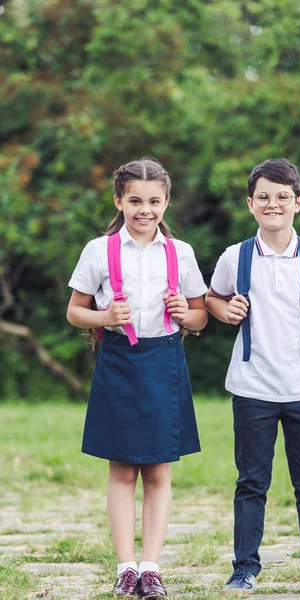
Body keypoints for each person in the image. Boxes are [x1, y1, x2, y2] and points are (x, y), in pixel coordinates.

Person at [206, 159, 300, 596]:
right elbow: (213, 298)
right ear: (251, 204)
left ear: (298, 203)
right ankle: (244, 567)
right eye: (265, 197)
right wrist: (226, 310)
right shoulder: (236, 256)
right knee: (251, 482)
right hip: (253, 386)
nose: (274, 203)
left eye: (283, 196)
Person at [67, 158, 208, 597]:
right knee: (123, 471)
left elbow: (201, 315)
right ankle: (125, 567)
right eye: (134, 201)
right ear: (119, 201)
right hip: (118, 361)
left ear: (166, 202)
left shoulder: (179, 252)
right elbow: (74, 311)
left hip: (164, 362)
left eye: (153, 201)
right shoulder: (99, 250)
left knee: (159, 473)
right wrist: (105, 315)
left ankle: (152, 567)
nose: (144, 210)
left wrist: (187, 313)